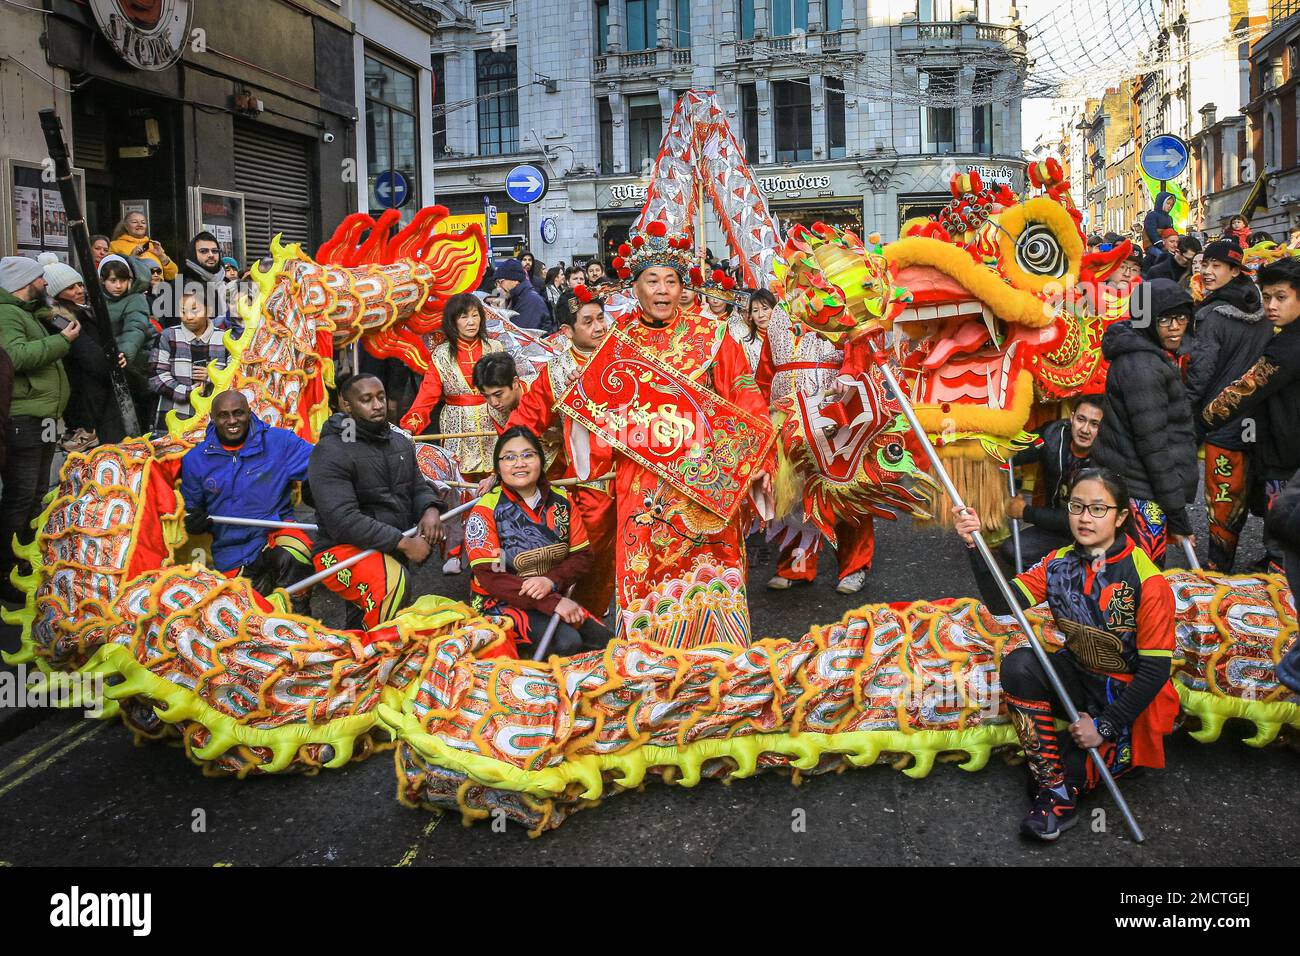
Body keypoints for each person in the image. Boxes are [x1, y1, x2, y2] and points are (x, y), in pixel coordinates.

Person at [953, 468, 1179, 842]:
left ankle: (1086, 771)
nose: (1085, 518)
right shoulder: (1058, 562)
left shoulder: (1148, 582)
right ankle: (1055, 791)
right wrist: (976, 545)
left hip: (1125, 700)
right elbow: (1001, 604)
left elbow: (1155, 672)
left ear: (1121, 516)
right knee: (1019, 663)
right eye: (1076, 507)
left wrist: (1103, 726)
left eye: (1097, 509)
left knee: (1067, 769)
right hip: (1078, 677)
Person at [598, 222, 772, 647]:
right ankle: (649, 661)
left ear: (682, 288)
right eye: (651, 280)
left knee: (712, 564)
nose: (662, 290)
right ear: (634, 287)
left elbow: (745, 396)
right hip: (643, 478)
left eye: (671, 281)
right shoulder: (617, 342)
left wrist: (758, 458)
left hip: (705, 478)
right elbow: (597, 412)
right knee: (644, 565)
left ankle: (721, 661)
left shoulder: (712, 337)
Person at [507, 287, 617, 617]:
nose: (599, 327)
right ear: (567, 331)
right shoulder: (556, 372)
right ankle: (585, 619)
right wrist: (506, 462)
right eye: (588, 321)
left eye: (601, 318)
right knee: (592, 555)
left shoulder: (623, 357)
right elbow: (526, 418)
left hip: (638, 474)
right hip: (592, 482)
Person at [308, 373, 445, 629]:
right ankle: (376, 657)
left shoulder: (400, 442)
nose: (378, 405)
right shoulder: (330, 450)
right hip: (341, 549)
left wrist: (430, 509)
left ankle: (358, 654)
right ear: (347, 405)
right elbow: (342, 521)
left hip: (391, 545)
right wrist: (403, 542)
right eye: (367, 399)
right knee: (391, 585)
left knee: (375, 611)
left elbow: (417, 486)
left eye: (381, 397)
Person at [465, 426, 614, 657]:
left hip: (551, 595)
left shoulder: (562, 502)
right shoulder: (487, 510)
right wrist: (552, 602)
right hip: (500, 602)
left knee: (606, 641)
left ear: (541, 460)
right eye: (509, 457)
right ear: (498, 467)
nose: (519, 463)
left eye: (528, 455)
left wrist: (550, 581)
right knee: (567, 643)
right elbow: (492, 576)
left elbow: (582, 557)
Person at [1200, 257, 1300, 572]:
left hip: (1285, 455)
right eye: (1267, 296)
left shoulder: (1289, 345)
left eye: (1280, 297)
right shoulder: (1283, 334)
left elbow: (1245, 390)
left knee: (1284, 531)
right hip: (1278, 447)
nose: (1271, 305)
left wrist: (1199, 422)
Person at [1092, 278, 1198, 564]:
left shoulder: (1149, 353)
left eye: (1181, 317)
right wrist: (1178, 515)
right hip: (1141, 491)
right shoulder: (1144, 367)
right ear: (1147, 320)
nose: (1175, 327)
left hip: (1137, 485)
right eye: (1164, 319)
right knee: (1144, 579)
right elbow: (1154, 448)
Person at [1184, 239, 1272, 572]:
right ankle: (1270, 564)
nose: (1206, 272)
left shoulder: (1211, 314)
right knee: (1254, 494)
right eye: (1204, 264)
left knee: (1223, 500)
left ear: (1234, 271)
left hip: (1221, 422)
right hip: (1258, 420)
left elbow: (1201, 371)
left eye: (1215, 266)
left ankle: (1217, 570)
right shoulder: (1263, 310)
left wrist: (1190, 413)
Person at [180, 390, 314, 606]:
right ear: (213, 419)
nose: (232, 421)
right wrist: (195, 522)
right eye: (224, 415)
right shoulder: (194, 461)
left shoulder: (280, 442)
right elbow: (190, 511)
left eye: (238, 413)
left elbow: (325, 463)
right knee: (249, 617)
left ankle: (300, 619)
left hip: (276, 533)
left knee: (295, 555)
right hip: (231, 550)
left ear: (250, 413)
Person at [0, 256, 76, 604]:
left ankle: (26, 564)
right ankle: (7, 570)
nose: (46, 285)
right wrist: (61, 341)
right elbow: (14, 357)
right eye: (40, 279)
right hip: (25, 419)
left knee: (34, 496)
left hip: (44, 417)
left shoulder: (28, 312)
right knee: (20, 496)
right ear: (24, 282)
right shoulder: (7, 314)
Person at [399, 292, 504, 477]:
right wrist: (410, 425)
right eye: (464, 317)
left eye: (475, 315)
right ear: (453, 321)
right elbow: (427, 394)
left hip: (494, 421)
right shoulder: (441, 354)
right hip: (457, 425)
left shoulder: (495, 348)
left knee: (499, 472)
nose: (471, 322)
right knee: (461, 479)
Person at [1004, 397, 1104, 568]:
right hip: (1055, 530)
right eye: (1081, 419)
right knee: (1012, 549)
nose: (1085, 429)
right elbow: (1014, 451)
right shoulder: (1053, 433)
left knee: (1092, 572)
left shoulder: (1106, 458)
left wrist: (1025, 512)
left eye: (1094, 424)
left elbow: (1079, 518)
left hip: (1093, 535)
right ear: (1072, 417)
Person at [41, 255, 127, 448]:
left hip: (94, 394)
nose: (79, 290)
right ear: (56, 292)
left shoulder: (81, 311)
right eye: (71, 288)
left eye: (80, 285)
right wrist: (112, 364)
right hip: (89, 396)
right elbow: (92, 357)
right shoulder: (63, 320)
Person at [148, 291, 229, 430]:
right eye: (183, 311)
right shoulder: (168, 336)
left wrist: (212, 376)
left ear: (209, 310)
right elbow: (156, 377)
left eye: (194, 310)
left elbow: (236, 376)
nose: (188, 317)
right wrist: (190, 392)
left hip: (213, 419)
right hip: (174, 416)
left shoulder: (225, 339)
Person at [109, 210, 177, 281]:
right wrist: (132, 257)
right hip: (134, 289)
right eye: (135, 222)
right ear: (126, 226)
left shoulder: (153, 245)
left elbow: (172, 275)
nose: (140, 225)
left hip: (159, 288)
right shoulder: (115, 245)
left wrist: (162, 256)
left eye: (143, 222)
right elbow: (111, 273)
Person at [492, 258, 550, 331]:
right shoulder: (516, 298)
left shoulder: (531, 301)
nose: (498, 287)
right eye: (496, 284)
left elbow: (519, 334)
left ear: (515, 280)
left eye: (500, 282)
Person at [733, 287, 775, 374]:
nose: (760, 315)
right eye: (755, 310)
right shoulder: (746, 343)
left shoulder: (788, 336)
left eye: (765, 308)